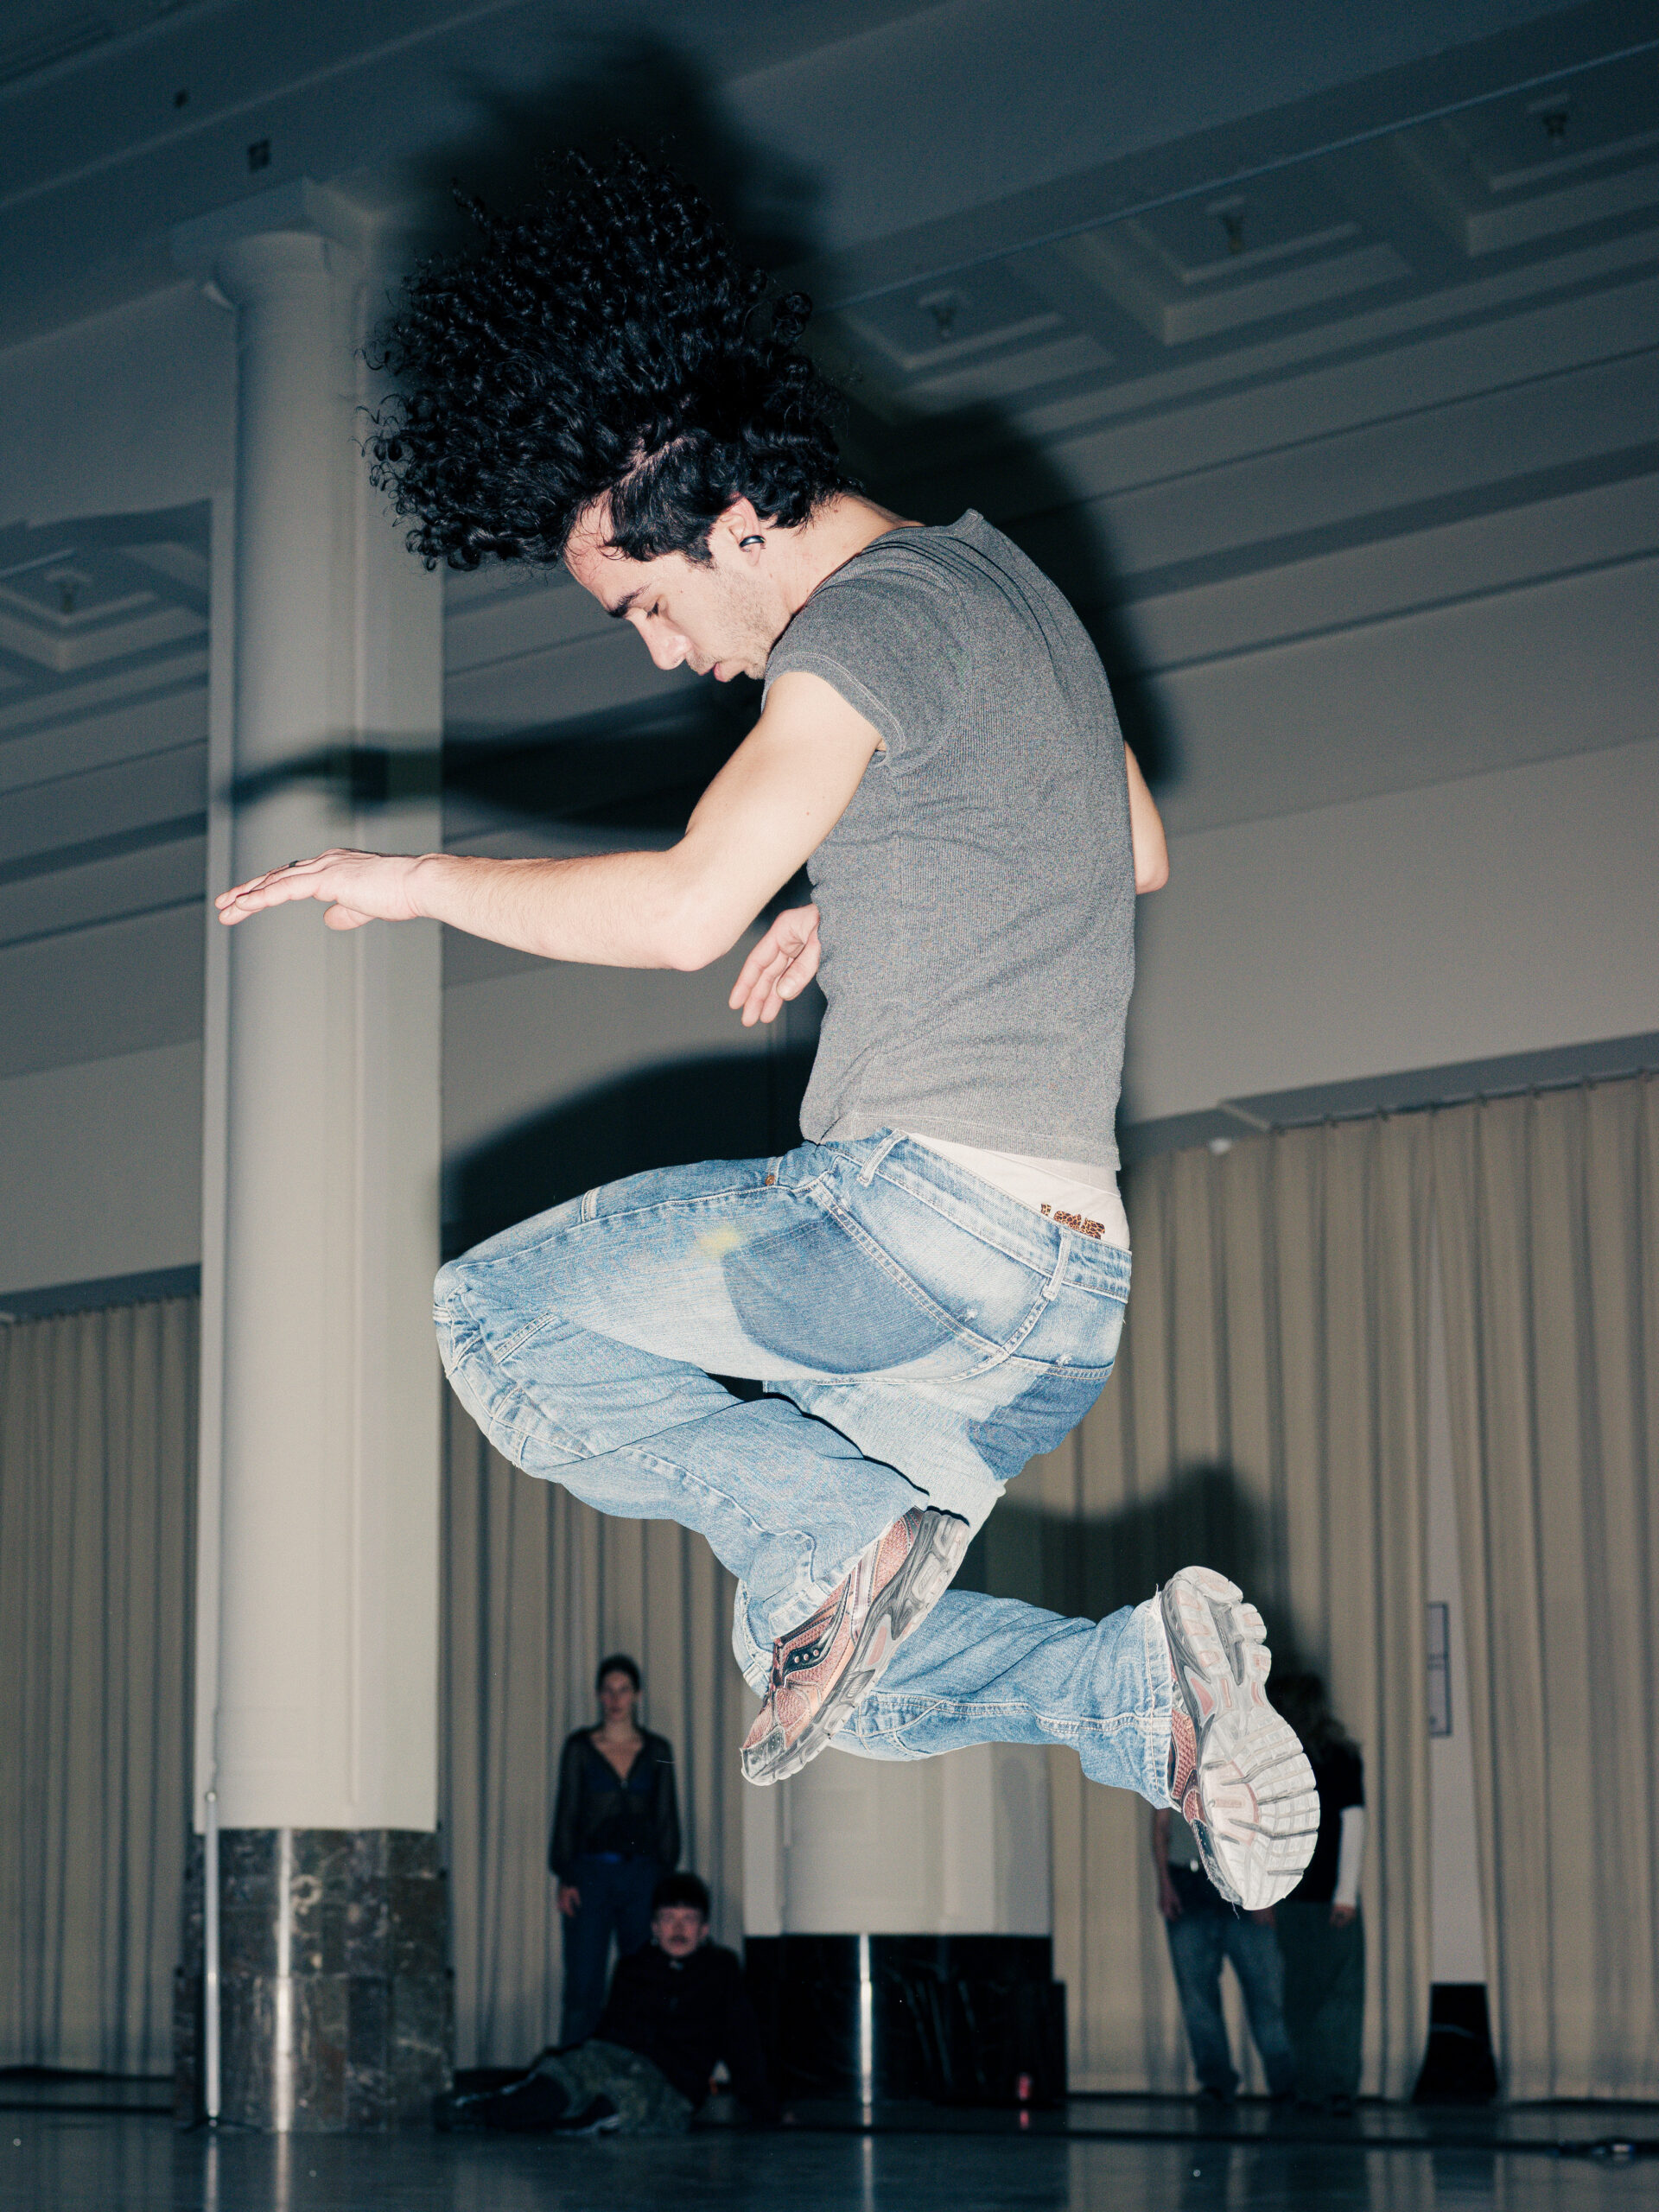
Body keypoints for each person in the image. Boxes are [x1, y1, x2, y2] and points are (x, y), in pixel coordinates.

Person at [215, 146, 1317, 1910]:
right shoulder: (1006, 591)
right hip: (1065, 1296)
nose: (667, 654)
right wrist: (852, 886)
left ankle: (841, 1537)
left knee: (495, 1318)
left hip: (918, 1237)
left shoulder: (860, 623)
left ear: (729, 513)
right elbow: (1130, 843)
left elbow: (677, 914)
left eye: (647, 604)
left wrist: (411, 879)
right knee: (823, 1669)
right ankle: (1136, 1695)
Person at [440, 1872, 777, 2136]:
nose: (678, 1928)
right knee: (565, 2079)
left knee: (624, 2103)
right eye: (668, 1918)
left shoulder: (721, 1971)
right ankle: (479, 2113)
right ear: (654, 1927)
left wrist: (765, 2109)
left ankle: (570, 2126)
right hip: (616, 2057)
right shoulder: (634, 1966)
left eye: (688, 1919)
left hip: (670, 2081)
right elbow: (609, 2033)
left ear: (703, 1930)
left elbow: (742, 2042)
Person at [550, 1653, 681, 2046]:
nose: (615, 1699)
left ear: (637, 1695)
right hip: (591, 1878)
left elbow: (667, 1820)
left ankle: (637, 2070)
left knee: (641, 1981)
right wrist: (566, 1876)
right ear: (598, 1695)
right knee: (583, 1983)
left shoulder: (657, 1748)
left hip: (642, 1879)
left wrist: (664, 1885)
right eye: (608, 1690)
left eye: (623, 1690)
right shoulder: (579, 1748)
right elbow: (567, 1814)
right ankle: (575, 2073)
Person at [1268, 1673, 1366, 2113]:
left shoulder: (1290, 1759)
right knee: (1326, 1995)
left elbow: (1353, 1824)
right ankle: (1327, 2087)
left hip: (1310, 1894)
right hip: (1312, 1894)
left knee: (1311, 1996)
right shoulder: (1333, 1755)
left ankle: (1323, 2087)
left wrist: (1345, 1893)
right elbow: (1353, 1824)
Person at [1153, 1804, 1296, 2104]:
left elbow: (1266, 1824)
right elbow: (1161, 1826)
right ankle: (1216, 2082)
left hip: (1240, 1882)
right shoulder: (1170, 1773)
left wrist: (1265, 1892)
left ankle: (1286, 2084)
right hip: (1188, 1883)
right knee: (1197, 1997)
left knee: (1266, 1992)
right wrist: (1165, 1884)